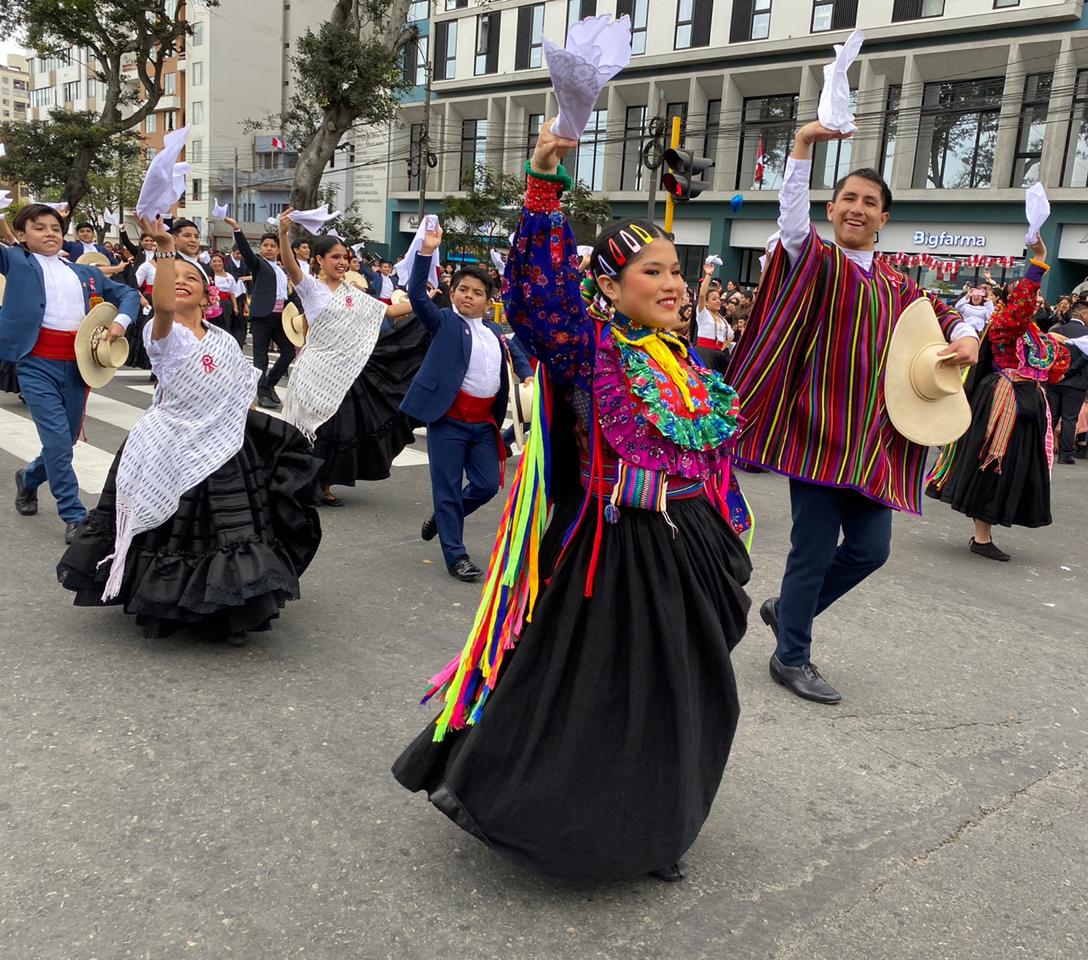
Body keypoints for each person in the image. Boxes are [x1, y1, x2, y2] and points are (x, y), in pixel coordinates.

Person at [392, 119, 751, 883]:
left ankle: (658, 821)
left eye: (676, 271)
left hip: (691, 545)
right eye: (652, 272)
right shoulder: (590, 349)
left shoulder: (689, 362)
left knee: (686, 693)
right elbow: (541, 294)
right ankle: (582, 823)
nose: (673, 284)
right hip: (617, 550)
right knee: (607, 695)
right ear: (612, 287)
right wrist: (544, 190)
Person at [726, 116, 977, 704]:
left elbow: (948, 319)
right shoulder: (813, 259)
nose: (856, 208)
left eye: (869, 202)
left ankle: (786, 609)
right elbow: (791, 221)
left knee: (871, 550)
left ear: (884, 218)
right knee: (811, 551)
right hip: (818, 434)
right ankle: (791, 655)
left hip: (880, 442)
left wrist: (965, 335)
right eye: (847, 199)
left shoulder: (901, 287)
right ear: (832, 208)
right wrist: (804, 147)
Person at [57, 216, 322, 642]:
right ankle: (173, 601)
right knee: (175, 527)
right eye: (173, 277)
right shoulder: (163, 334)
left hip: (224, 443)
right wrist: (165, 251)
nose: (181, 282)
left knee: (230, 528)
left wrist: (249, 427)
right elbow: (162, 306)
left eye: (190, 278)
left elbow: (241, 391)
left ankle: (232, 604)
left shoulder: (222, 338)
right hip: (169, 442)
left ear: (206, 295)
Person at [1, 204, 141, 543]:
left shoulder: (84, 274)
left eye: (54, 227)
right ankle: (74, 514)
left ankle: (30, 478)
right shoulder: (15, 261)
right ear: (21, 236)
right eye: (38, 227)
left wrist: (121, 322)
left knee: (67, 442)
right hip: (36, 364)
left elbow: (128, 294)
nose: (49, 232)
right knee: (58, 442)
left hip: (79, 366)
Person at [930, 235, 1070, 561]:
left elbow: (1052, 372)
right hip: (1004, 402)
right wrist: (1038, 262)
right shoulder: (1004, 326)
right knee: (994, 464)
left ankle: (987, 530)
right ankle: (981, 536)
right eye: (1028, 300)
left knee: (1016, 468)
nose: (1034, 303)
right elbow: (1020, 309)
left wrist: (1062, 346)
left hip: (1030, 407)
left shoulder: (1035, 333)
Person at [274, 212, 425, 508]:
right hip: (314, 373)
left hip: (345, 373)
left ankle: (326, 485)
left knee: (337, 430)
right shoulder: (311, 289)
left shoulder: (353, 293)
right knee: (311, 430)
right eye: (334, 257)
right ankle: (304, 484)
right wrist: (283, 234)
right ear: (318, 260)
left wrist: (424, 304)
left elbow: (389, 312)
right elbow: (291, 267)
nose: (342, 262)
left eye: (345, 257)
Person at [404, 254, 530, 582]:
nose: (468, 296)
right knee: (446, 488)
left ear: (489, 302)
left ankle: (445, 516)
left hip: (484, 423)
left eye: (476, 292)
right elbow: (417, 295)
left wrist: (528, 375)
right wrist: (425, 253)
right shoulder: (445, 321)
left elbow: (516, 355)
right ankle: (456, 557)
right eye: (462, 289)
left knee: (487, 484)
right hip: (448, 419)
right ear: (453, 292)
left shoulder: (494, 331)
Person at [225, 216, 296, 410]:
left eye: (273, 246)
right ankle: (260, 392)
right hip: (262, 317)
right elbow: (247, 252)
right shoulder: (258, 264)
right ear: (261, 248)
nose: (269, 249)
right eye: (266, 245)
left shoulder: (282, 270)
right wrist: (237, 230)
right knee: (260, 357)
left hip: (280, 317)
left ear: (279, 249)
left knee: (289, 353)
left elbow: (289, 294)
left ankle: (267, 384)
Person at [1047, 301, 1088, 463]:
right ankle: (1065, 454)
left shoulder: (1057, 331)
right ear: (1083, 314)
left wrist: (1061, 372)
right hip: (1076, 381)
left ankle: (1042, 450)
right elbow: (1087, 356)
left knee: (1051, 416)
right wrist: (1070, 371)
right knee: (1069, 418)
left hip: (1054, 380)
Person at [695, 261, 733, 373]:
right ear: (706, 302)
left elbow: (731, 335)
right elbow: (702, 294)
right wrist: (708, 275)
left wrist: (724, 346)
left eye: (719, 299)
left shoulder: (723, 320)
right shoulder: (704, 314)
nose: (718, 302)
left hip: (719, 354)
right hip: (704, 353)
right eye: (714, 299)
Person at [209, 252, 247, 345]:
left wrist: (235, 307)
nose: (217, 263)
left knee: (226, 326)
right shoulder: (209, 276)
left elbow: (233, 293)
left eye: (219, 261)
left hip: (226, 304)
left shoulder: (229, 276)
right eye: (214, 261)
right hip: (212, 305)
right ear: (210, 263)